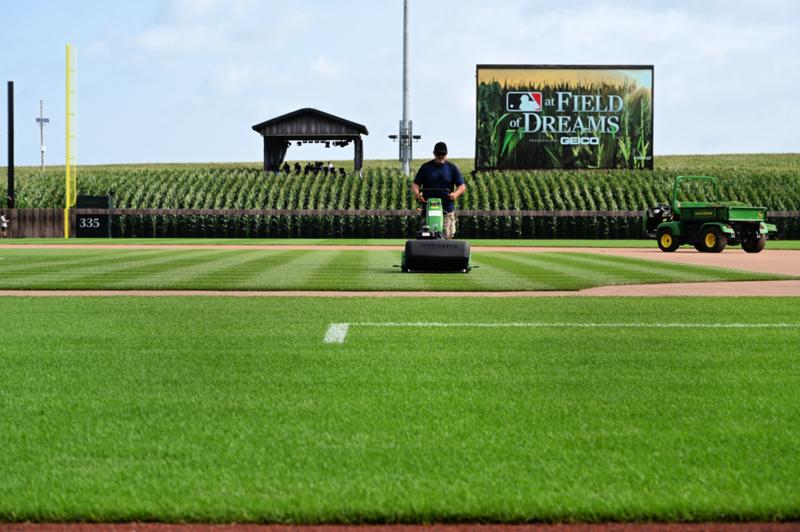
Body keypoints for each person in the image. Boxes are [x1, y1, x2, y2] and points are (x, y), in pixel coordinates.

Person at [411, 141, 466, 239]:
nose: (440, 156)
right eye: (438, 154)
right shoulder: (426, 167)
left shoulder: (452, 168)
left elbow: (462, 186)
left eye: (443, 154)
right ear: (434, 153)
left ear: (446, 154)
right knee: (426, 238)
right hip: (428, 209)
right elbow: (416, 184)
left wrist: (455, 194)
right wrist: (417, 194)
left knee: (446, 238)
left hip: (446, 210)